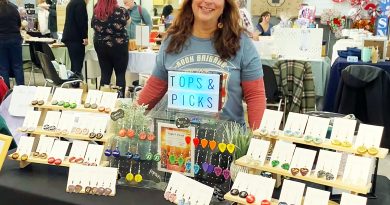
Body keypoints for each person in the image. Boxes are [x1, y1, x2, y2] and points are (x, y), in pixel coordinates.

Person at [137, 0, 266, 129]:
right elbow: (154, 89)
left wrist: (258, 139)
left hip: (228, 145)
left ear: (225, 3)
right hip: (180, 141)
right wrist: (128, 116)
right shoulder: (172, 41)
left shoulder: (242, 43)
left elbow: (255, 96)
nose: (208, 1)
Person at [92, 0, 130, 97]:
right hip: (119, 45)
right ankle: (119, 101)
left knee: (105, 74)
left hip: (101, 45)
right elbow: (128, 22)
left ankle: (103, 100)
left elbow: (93, 25)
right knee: (120, 74)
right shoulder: (121, 10)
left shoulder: (96, 10)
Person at [62, 0, 88, 82]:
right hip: (76, 38)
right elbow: (81, 21)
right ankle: (75, 85)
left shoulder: (72, 2)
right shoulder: (81, 3)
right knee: (77, 65)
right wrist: (85, 36)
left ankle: (74, 84)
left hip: (70, 38)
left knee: (74, 64)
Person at [0, 0, 24, 88]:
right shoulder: (13, 8)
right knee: (18, 66)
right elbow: (19, 24)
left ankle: (6, 93)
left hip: (1, 40)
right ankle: (21, 90)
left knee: (3, 68)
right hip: (15, 39)